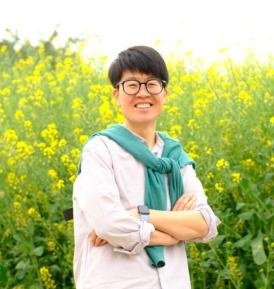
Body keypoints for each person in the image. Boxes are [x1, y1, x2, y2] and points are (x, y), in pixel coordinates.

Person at [72, 45, 221, 289]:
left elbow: (205, 224)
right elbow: (109, 224)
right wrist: (176, 230)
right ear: (116, 95)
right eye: (131, 85)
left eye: (152, 84)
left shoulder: (175, 157)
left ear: (164, 93)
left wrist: (141, 215)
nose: (143, 93)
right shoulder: (100, 151)